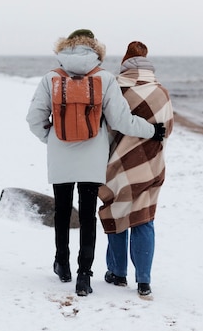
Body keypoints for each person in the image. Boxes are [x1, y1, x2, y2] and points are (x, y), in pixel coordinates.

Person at [26, 30, 165, 297]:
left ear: (64, 49)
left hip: (60, 157)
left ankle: (62, 265)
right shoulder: (104, 78)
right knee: (87, 215)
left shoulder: (51, 78)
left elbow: (34, 119)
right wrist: (153, 131)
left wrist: (53, 140)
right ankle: (84, 276)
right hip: (93, 158)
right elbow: (122, 121)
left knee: (63, 212)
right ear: (95, 51)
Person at [98, 41, 174, 300]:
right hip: (150, 164)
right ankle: (144, 282)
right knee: (143, 219)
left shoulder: (115, 89)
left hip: (116, 163)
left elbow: (105, 128)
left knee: (117, 213)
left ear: (125, 62)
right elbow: (168, 130)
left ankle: (117, 273)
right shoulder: (161, 92)